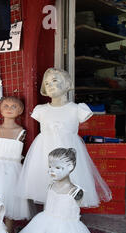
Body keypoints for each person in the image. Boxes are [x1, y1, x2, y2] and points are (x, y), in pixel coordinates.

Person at [18, 68, 111, 207]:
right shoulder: (41, 110)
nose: (50, 85)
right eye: (47, 83)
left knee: (70, 185)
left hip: (68, 152)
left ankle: (67, 215)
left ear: (67, 84)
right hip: (44, 152)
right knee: (45, 184)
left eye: (55, 81)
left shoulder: (77, 109)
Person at [0, 97, 30, 233]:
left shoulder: (21, 131)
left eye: (13, 106)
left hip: (13, 171)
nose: (9, 109)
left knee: (12, 206)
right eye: (6, 106)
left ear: (20, 111)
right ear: (0, 109)